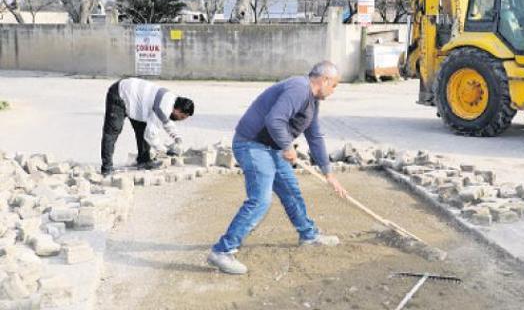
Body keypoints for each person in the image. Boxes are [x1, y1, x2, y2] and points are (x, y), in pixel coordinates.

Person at [207, 61, 347, 275]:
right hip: (251, 144)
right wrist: (287, 145)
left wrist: (328, 173)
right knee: (260, 200)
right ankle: (222, 251)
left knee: (291, 191)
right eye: (334, 85)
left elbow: (315, 136)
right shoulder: (299, 88)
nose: (334, 90)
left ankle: (308, 235)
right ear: (324, 80)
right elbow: (274, 120)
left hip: (271, 147)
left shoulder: (312, 101)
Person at [100, 78, 194, 175]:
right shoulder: (163, 107)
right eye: (182, 117)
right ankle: (107, 168)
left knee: (142, 128)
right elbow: (150, 136)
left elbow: (167, 121)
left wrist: (177, 137)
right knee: (112, 131)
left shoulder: (173, 100)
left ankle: (144, 161)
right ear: (177, 110)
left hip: (136, 101)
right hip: (120, 94)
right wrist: (166, 151)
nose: (181, 119)